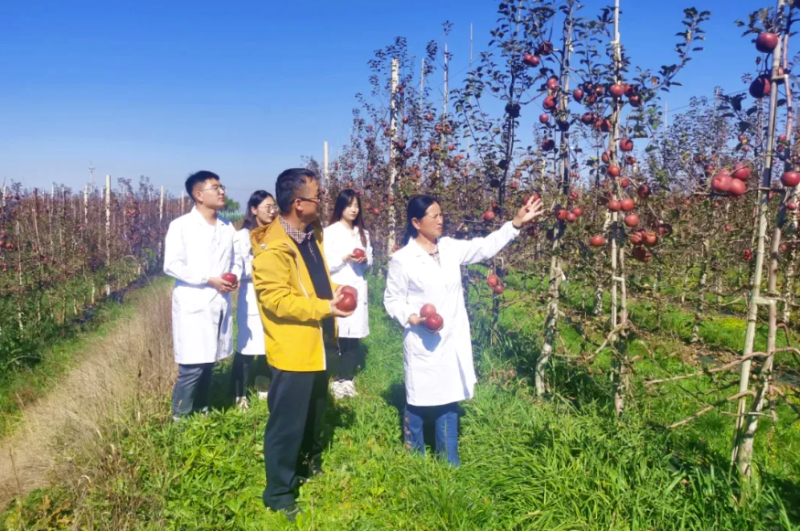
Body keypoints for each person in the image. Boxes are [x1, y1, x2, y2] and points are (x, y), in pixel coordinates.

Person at [383, 194, 543, 466]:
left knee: (449, 397)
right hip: (423, 337)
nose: (440, 220)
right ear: (416, 222)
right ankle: (415, 461)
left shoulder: (448, 247)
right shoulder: (403, 259)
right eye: (434, 216)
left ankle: (450, 462)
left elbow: (484, 247)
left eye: (441, 214)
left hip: (451, 338)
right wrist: (414, 319)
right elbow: (392, 300)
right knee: (419, 399)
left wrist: (515, 223)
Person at [250, 168, 354, 522]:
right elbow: (276, 301)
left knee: (314, 410)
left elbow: (314, 282)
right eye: (317, 196)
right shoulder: (272, 248)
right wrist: (325, 307)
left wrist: (334, 293)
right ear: (298, 203)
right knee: (287, 423)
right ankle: (278, 492)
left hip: (319, 340)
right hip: (294, 348)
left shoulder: (311, 235)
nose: (322, 201)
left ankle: (306, 463)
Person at [163, 171, 238, 422]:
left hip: (218, 302)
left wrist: (233, 277)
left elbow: (235, 260)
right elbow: (172, 265)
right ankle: (180, 417)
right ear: (199, 195)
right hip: (193, 303)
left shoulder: (227, 226)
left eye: (222, 187)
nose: (222, 191)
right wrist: (209, 278)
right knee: (192, 366)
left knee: (209, 361)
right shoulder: (181, 226)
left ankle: (202, 410)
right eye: (215, 188)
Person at [323, 189, 373, 399]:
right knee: (337, 334)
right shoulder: (330, 232)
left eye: (356, 206)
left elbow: (370, 261)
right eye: (349, 205)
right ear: (340, 207)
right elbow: (326, 263)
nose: (354, 209)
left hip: (358, 287)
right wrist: (344, 258)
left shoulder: (363, 233)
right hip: (339, 287)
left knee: (353, 337)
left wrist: (365, 260)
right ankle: (335, 378)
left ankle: (347, 378)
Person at [230, 190, 277, 409]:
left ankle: (263, 384)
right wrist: (263, 265)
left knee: (269, 344)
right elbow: (238, 269)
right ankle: (239, 393)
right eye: (267, 207)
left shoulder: (274, 235)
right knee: (247, 348)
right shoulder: (243, 236)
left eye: (274, 207)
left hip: (272, 296)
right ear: (254, 209)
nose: (272, 211)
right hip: (251, 296)